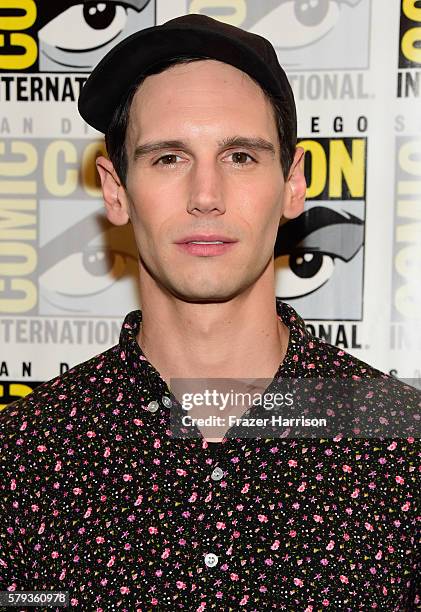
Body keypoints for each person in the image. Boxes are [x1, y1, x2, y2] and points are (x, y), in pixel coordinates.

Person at [0, 14, 419, 611]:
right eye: (168, 158)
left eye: (241, 156)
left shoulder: (402, 446)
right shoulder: (24, 457)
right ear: (115, 190)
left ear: (293, 183)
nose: (205, 195)